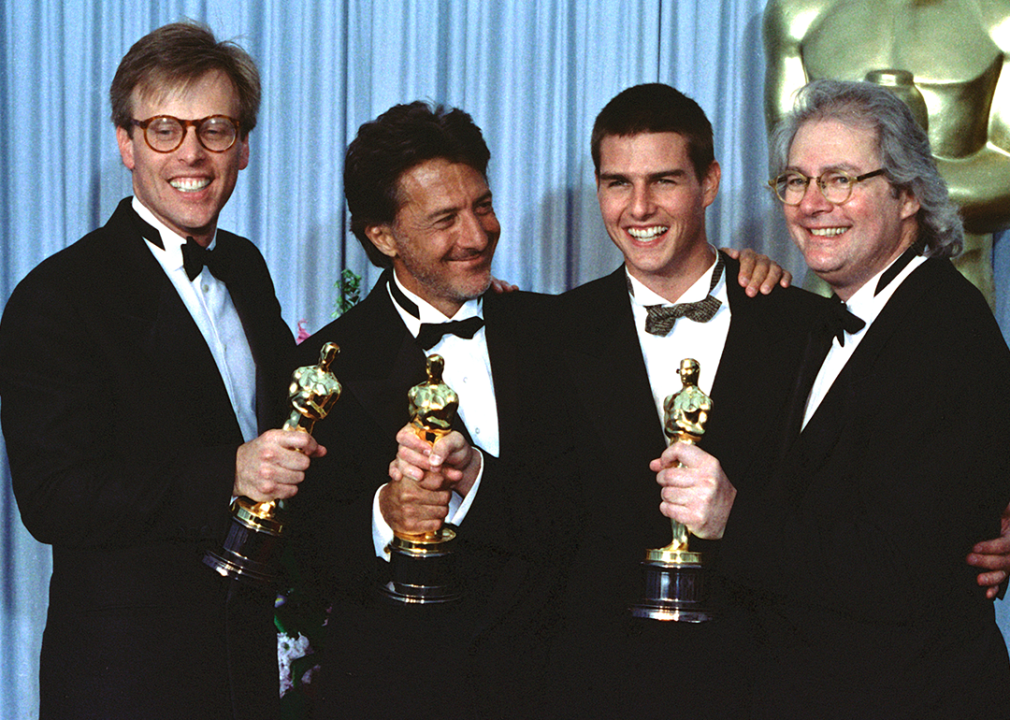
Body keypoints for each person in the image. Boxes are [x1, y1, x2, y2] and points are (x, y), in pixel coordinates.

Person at [287, 100, 784, 719]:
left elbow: (594, 510)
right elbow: (299, 556)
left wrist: (744, 274)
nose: (477, 235)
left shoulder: (558, 327)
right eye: (445, 219)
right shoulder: (322, 367)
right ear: (381, 235)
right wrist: (384, 515)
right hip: (400, 694)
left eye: (483, 206)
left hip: (552, 686)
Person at [0, 22, 322, 720]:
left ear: (243, 148)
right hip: (127, 679)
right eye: (165, 130)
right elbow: (54, 498)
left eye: (215, 129)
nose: (194, 155)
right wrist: (229, 471)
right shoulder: (58, 297)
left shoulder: (244, 264)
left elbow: (293, 404)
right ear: (126, 143)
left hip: (246, 666)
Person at [667, 79, 1010, 717]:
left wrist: (732, 517)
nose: (812, 204)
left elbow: (897, 568)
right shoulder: (830, 320)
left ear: (908, 195)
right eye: (796, 181)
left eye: (841, 179)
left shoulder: (944, 328)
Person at [542, 82, 835, 719]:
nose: (638, 207)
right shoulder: (548, 332)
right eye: (617, 183)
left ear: (710, 182)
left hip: (766, 683)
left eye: (664, 181)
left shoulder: (802, 326)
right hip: (598, 686)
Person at [763, 0, 1010, 309]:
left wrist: (903, 168)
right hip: (829, 295)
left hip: (953, 285)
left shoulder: (1000, 15)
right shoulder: (798, 11)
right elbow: (790, 172)